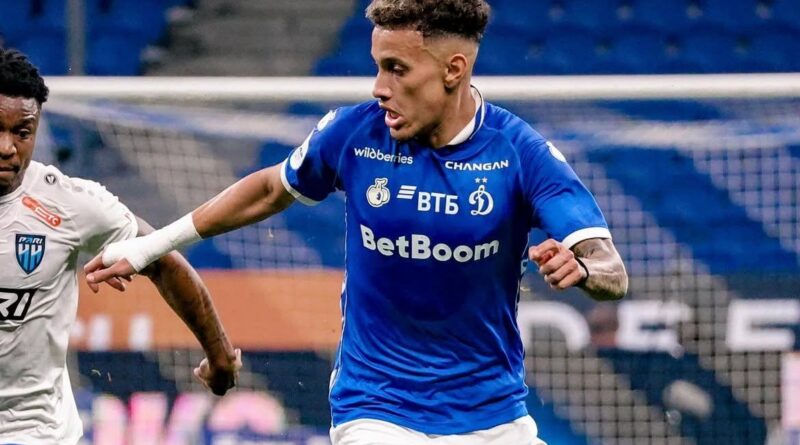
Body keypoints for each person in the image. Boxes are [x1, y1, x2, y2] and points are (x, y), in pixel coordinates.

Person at [86, 0, 628, 443]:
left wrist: (583, 269)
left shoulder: (520, 154)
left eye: (397, 68)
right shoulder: (355, 134)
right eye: (377, 66)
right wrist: (149, 246)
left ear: (453, 70)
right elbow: (270, 189)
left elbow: (610, 269)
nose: (378, 87)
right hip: (376, 409)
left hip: (493, 416)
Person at [0, 48, 242, 445]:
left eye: (22, 132)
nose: (8, 147)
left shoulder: (66, 203)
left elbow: (163, 260)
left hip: (34, 432)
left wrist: (220, 356)